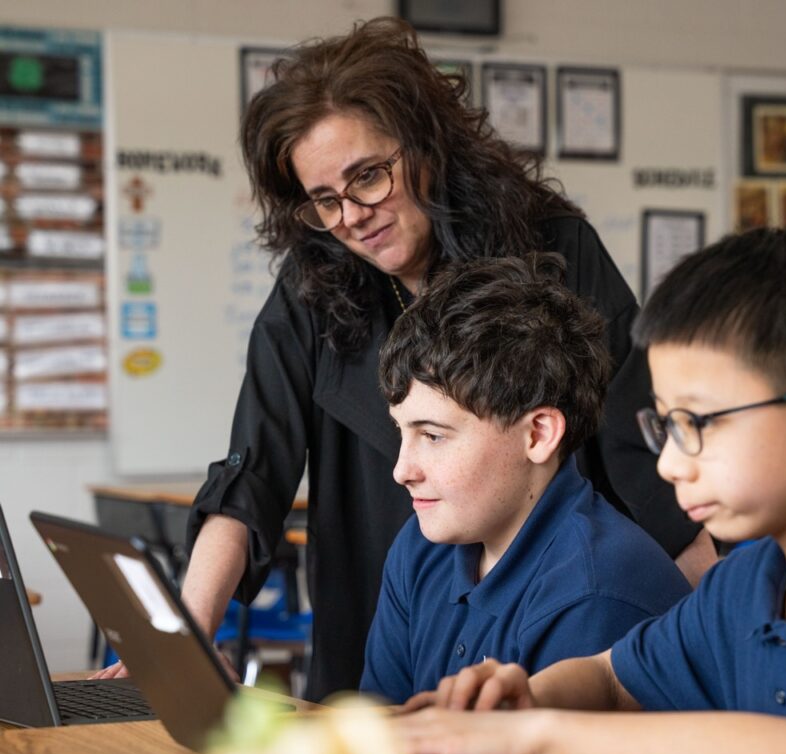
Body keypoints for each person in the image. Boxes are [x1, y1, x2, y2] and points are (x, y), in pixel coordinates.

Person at [89, 17, 715, 699]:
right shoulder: (314, 280)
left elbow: (649, 458)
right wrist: (190, 630)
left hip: (547, 603)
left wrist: (680, 648)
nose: (351, 215)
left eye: (369, 178)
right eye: (325, 200)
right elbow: (253, 468)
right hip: (384, 598)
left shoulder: (553, 250)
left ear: (427, 148)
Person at [396, 228, 786, 754]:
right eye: (665, 425)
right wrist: (528, 695)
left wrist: (535, 734)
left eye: (701, 422)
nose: (669, 462)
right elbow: (613, 680)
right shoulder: (744, 583)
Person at [361, 253, 691, 704]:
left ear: (537, 434)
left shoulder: (598, 592)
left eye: (433, 436)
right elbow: (378, 735)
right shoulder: (421, 548)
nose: (402, 471)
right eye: (403, 431)